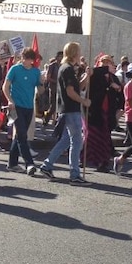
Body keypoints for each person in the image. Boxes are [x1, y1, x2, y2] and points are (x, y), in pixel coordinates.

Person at [38, 42, 91, 184]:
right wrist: (83, 101)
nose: (80, 54)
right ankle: (74, 174)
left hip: (68, 109)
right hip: (71, 109)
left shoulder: (67, 69)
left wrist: (86, 77)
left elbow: (76, 87)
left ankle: (47, 165)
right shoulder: (67, 69)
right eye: (79, 51)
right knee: (77, 141)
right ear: (74, 53)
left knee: (66, 141)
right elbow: (70, 92)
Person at [2, 48, 44, 176]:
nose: (28, 61)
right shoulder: (15, 69)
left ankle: (12, 163)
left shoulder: (36, 72)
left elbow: (40, 91)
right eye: (26, 58)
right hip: (16, 106)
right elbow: (5, 86)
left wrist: (43, 82)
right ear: (22, 58)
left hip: (29, 107)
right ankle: (29, 164)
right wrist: (10, 100)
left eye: (31, 59)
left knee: (19, 135)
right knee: (22, 135)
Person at [85, 55, 121, 172]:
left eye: (108, 62)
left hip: (108, 111)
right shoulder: (94, 75)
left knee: (105, 138)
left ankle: (103, 163)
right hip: (95, 110)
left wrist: (117, 89)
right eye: (103, 62)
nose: (106, 64)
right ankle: (86, 160)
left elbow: (120, 94)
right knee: (91, 137)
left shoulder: (114, 78)